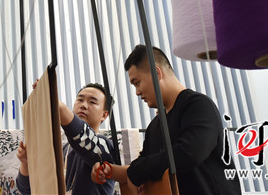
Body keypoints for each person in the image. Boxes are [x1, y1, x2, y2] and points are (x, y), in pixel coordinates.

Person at [92, 45, 241, 195]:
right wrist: (110, 171)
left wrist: (138, 170)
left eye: (137, 83)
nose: (137, 92)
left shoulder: (198, 105)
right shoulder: (154, 126)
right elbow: (144, 167)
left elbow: (189, 153)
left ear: (157, 73)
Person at [16, 82, 117, 195]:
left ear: (104, 115)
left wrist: (58, 106)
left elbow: (82, 135)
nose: (83, 105)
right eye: (80, 100)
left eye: (92, 102)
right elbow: (27, 190)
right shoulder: (60, 150)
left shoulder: (106, 146)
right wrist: (26, 163)